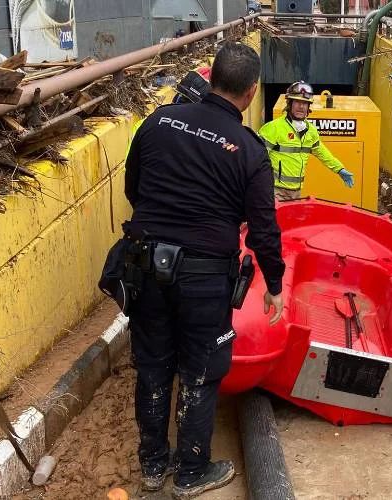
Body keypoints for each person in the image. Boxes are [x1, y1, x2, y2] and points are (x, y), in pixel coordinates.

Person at [122, 41, 285, 499]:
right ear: (252, 92)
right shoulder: (250, 151)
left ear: (210, 76)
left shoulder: (156, 123)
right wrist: (274, 284)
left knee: (152, 367)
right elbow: (263, 230)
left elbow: (135, 189)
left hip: (146, 266)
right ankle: (191, 472)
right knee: (200, 371)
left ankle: (153, 466)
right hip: (205, 277)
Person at [258, 81, 355, 201]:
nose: (301, 106)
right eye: (297, 102)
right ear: (289, 104)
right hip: (274, 191)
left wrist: (339, 169)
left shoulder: (311, 132)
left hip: (297, 193)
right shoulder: (273, 128)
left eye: (305, 103)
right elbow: (256, 158)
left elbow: (323, 154)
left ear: (309, 107)